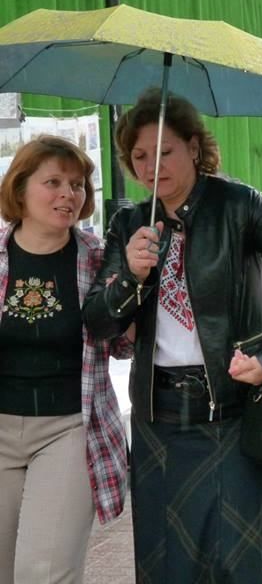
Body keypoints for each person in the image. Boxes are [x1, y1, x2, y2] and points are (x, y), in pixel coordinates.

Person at [83, 89, 262, 583]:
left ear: (194, 148)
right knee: (170, 560)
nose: (152, 166)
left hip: (235, 409)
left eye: (165, 152)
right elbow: (98, 322)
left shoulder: (237, 205)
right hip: (159, 422)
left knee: (242, 559)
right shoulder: (130, 223)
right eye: (138, 156)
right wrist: (131, 277)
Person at [0, 136, 131, 584]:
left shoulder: (97, 257)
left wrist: (131, 295)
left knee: (43, 572)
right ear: (20, 189)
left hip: (69, 428)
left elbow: (123, 345)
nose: (68, 195)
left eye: (77, 185)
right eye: (53, 182)